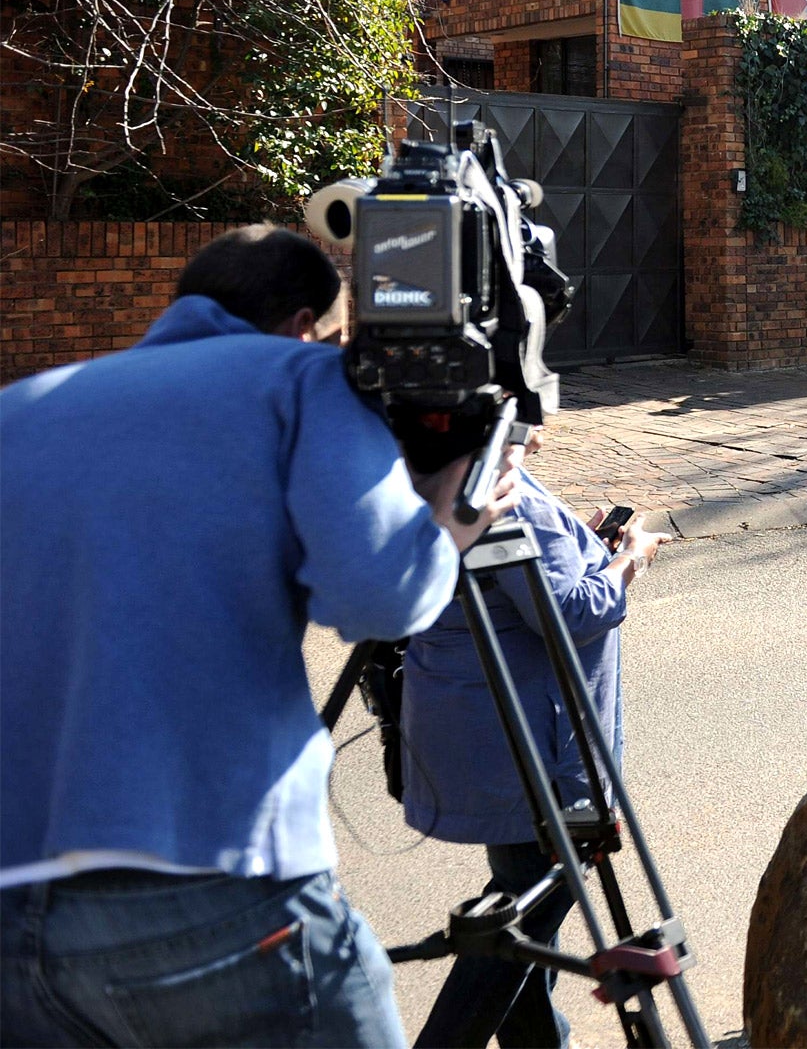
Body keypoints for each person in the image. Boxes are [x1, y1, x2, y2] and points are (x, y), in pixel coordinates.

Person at [0, 225, 519, 1049]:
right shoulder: (303, 378)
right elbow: (378, 596)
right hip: (212, 889)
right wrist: (452, 515)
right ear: (304, 325)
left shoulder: (19, 407)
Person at [399, 419, 663, 1048]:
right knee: (522, 919)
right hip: (536, 745)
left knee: (525, 915)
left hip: (486, 733)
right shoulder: (493, 486)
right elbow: (569, 614)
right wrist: (629, 559)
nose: (542, 423)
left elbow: (522, 582)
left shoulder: (441, 472)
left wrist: (588, 547)